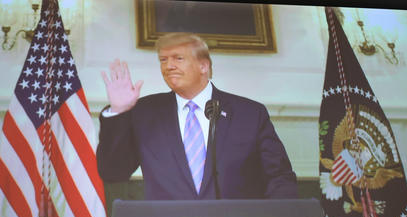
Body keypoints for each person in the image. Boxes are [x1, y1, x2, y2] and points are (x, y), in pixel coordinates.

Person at [97, 32, 297, 200]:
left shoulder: (250, 114)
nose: (169, 66)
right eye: (163, 60)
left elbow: (280, 178)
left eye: (178, 58)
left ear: (204, 66)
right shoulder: (144, 112)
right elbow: (113, 172)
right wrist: (119, 112)